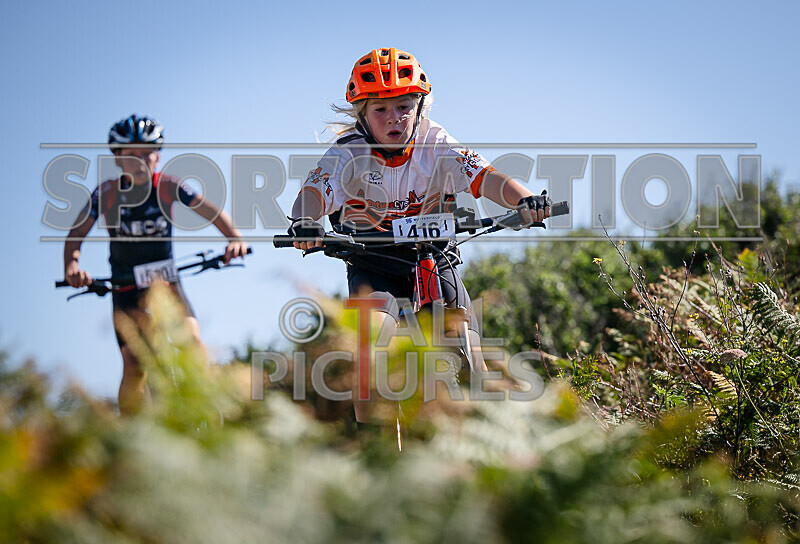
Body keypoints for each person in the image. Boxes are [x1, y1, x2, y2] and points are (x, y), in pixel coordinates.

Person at [288, 48, 550, 426]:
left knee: (469, 356)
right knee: (370, 352)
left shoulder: (437, 143)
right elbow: (311, 196)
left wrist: (525, 199)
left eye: (404, 106)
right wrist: (306, 223)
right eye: (380, 109)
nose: (394, 118)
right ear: (362, 114)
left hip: (433, 258)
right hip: (374, 263)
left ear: (420, 105)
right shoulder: (346, 155)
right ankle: (375, 452)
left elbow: (488, 177)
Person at [63, 114, 248, 414]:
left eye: (147, 151)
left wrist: (234, 239)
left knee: (193, 343)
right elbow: (76, 236)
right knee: (134, 364)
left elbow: (211, 211)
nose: (140, 159)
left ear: (158, 156)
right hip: (126, 286)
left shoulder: (167, 187)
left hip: (166, 282)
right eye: (131, 153)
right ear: (117, 159)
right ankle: (133, 439)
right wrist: (72, 268)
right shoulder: (107, 194)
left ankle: (212, 417)